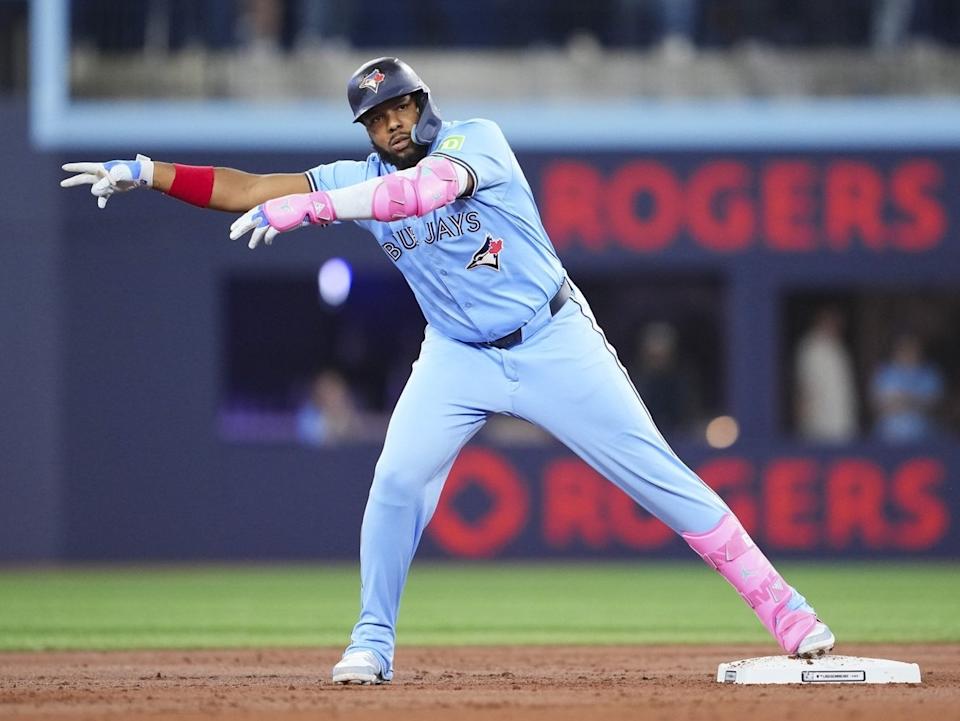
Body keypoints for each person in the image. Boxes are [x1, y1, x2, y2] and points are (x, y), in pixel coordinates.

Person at [61, 56, 835, 685]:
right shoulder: (353, 177)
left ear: (424, 103)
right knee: (396, 482)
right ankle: (371, 641)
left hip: (552, 339)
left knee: (659, 475)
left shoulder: (478, 141)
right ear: (365, 129)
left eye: (400, 106)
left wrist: (318, 210)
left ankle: (789, 612)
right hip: (457, 354)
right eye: (376, 117)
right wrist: (150, 170)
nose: (392, 123)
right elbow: (254, 190)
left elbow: (420, 193)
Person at [793, 306, 859, 443]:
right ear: (821, 321)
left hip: (842, 420)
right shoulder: (810, 347)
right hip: (819, 422)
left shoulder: (839, 347)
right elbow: (804, 385)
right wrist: (804, 418)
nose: (836, 326)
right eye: (832, 321)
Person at [870, 332, 944, 443]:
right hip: (889, 436)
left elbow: (934, 404)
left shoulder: (929, 374)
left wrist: (905, 401)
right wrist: (912, 401)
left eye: (913, 349)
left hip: (923, 436)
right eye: (905, 349)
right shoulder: (885, 373)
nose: (909, 353)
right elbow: (878, 403)